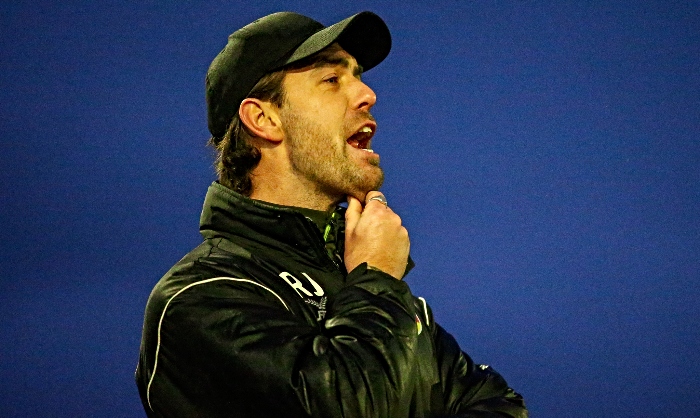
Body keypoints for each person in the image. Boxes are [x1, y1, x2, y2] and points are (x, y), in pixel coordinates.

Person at [135, 11, 527, 418]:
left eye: (357, 76)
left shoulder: (366, 286)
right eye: (332, 80)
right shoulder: (201, 298)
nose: (367, 95)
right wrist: (375, 278)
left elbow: (500, 405)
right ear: (264, 119)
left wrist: (371, 283)